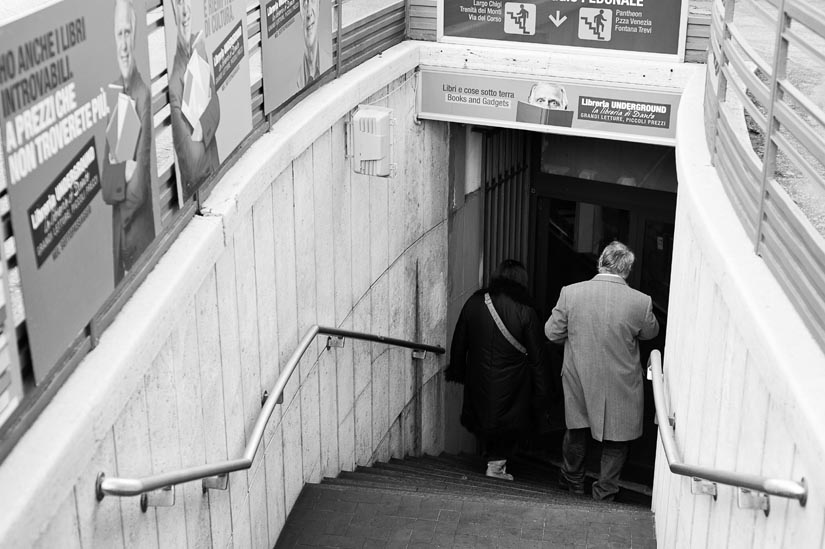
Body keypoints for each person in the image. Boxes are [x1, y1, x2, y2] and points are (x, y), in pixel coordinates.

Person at [545, 241, 659, 501]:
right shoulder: (641, 302)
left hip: (579, 376)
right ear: (627, 271)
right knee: (617, 442)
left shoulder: (571, 293)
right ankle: (604, 493)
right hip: (622, 381)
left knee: (576, 431)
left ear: (600, 262)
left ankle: (573, 482)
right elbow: (651, 332)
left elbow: (551, 332)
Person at [446, 260, 550, 481]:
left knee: (486, 417)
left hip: (479, 377)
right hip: (514, 383)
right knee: (507, 421)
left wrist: (458, 369)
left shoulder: (474, 302)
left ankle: (491, 458)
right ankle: (496, 467)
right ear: (522, 281)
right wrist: (542, 391)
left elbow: (459, 340)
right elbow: (538, 358)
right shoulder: (526, 311)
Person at [102, 0, 156, 284]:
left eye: (127, 33)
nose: (123, 44)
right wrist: (122, 170)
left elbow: (138, 190)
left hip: (137, 242)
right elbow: (107, 188)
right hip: (118, 254)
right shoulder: (115, 95)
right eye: (118, 35)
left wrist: (120, 171)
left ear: (134, 36)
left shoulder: (141, 95)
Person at [168, 0, 221, 202]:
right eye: (178, 3)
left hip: (217, 171)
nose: (185, 9)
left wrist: (201, 126)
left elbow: (215, 107)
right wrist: (205, 123)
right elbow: (192, 163)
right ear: (172, 9)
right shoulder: (175, 83)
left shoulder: (197, 45)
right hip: (201, 195)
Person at [296, 0, 320, 88]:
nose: (309, 13)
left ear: (319, 5)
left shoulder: (328, 64)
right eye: (304, 3)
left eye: (312, 1)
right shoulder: (298, 81)